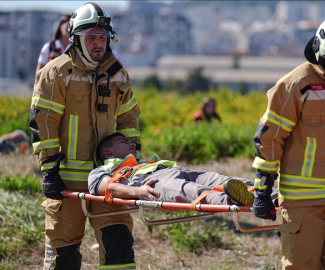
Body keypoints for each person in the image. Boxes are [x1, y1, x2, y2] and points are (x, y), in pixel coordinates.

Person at [251, 13, 325, 270]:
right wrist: (262, 188)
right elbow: (270, 138)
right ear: (319, 53)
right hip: (303, 200)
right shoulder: (296, 85)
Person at [29, 3, 141, 270]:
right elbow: (44, 122)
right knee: (63, 256)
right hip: (67, 183)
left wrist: (131, 158)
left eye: (102, 38)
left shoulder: (117, 74)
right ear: (75, 38)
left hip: (109, 182)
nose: (98, 44)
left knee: (120, 249)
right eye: (91, 37)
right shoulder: (56, 73)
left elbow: (129, 118)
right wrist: (49, 170)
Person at [89, 132, 258, 206]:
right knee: (189, 190)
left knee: (218, 179)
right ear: (107, 151)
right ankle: (233, 200)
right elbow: (108, 187)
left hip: (173, 171)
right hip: (151, 182)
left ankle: (269, 196)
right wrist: (138, 192)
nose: (132, 144)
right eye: (124, 142)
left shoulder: (140, 161)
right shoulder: (102, 171)